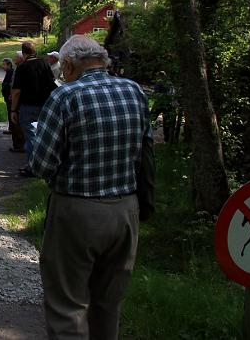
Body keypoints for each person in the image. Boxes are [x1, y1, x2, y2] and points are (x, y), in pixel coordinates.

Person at [31, 35, 153, 340]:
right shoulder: (134, 92)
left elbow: (42, 164)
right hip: (126, 210)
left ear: (69, 65)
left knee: (67, 305)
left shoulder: (65, 97)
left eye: (62, 68)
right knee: (108, 303)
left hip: (76, 211)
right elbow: (145, 151)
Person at [11, 41, 55, 176]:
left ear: (23, 52)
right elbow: (52, 82)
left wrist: (13, 109)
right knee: (43, 136)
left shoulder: (22, 67)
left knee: (31, 136)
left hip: (28, 105)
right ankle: (44, 164)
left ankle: (33, 167)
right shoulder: (44, 64)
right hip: (45, 105)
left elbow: (17, 91)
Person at [5, 53, 26, 152]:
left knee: (16, 122)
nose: (14, 59)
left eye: (16, 58)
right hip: (14, 96)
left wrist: (13, 95)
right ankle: (17, 144)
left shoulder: (21, 69)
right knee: (15, 123)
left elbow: (17, 87)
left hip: (18, 99)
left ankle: (19, 145)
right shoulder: (18, 68)